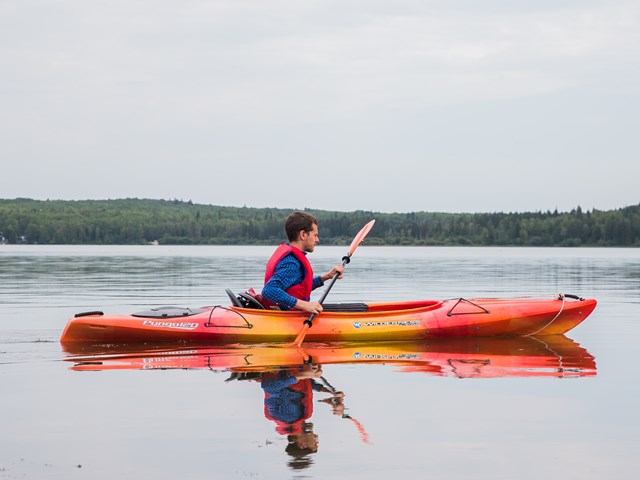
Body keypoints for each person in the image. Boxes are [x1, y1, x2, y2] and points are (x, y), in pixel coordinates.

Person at [261, 212, 344, 313]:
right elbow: (269, 290)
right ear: (303, 235)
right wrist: (305, 305)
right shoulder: (292, 263)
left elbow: (300, 287)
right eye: (315, 235)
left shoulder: (291, 260)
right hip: (287, 320)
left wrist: (326, 277)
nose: (317, 240)